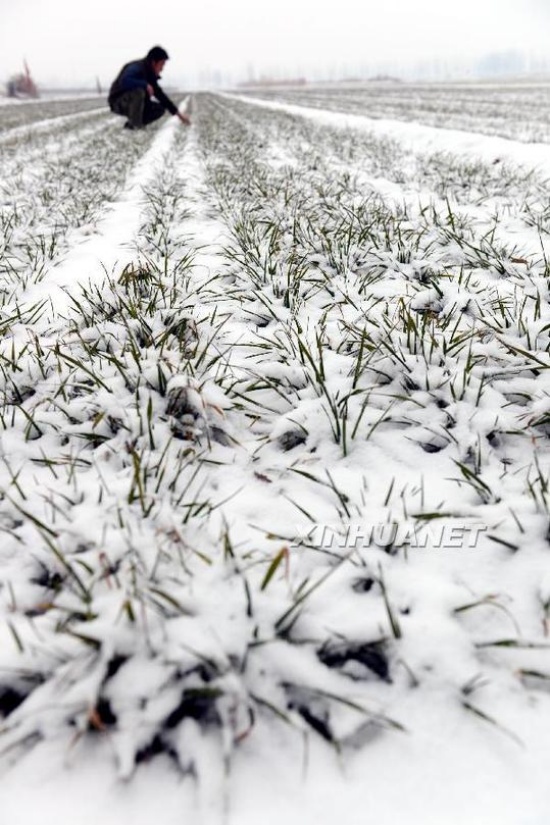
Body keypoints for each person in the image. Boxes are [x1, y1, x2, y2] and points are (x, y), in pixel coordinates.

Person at [108, 45, 190, 130]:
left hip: (131, 101)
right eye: (161, 64)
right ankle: (136, 125)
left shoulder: (150, 76)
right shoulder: (136, 67)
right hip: (117, 101)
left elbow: (162, 97)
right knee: (138, 91)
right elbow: (125, 81)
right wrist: (145, 84)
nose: (162, 69)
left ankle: (130, 126)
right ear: (153, 62)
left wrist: (180, 116)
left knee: (159, 109)